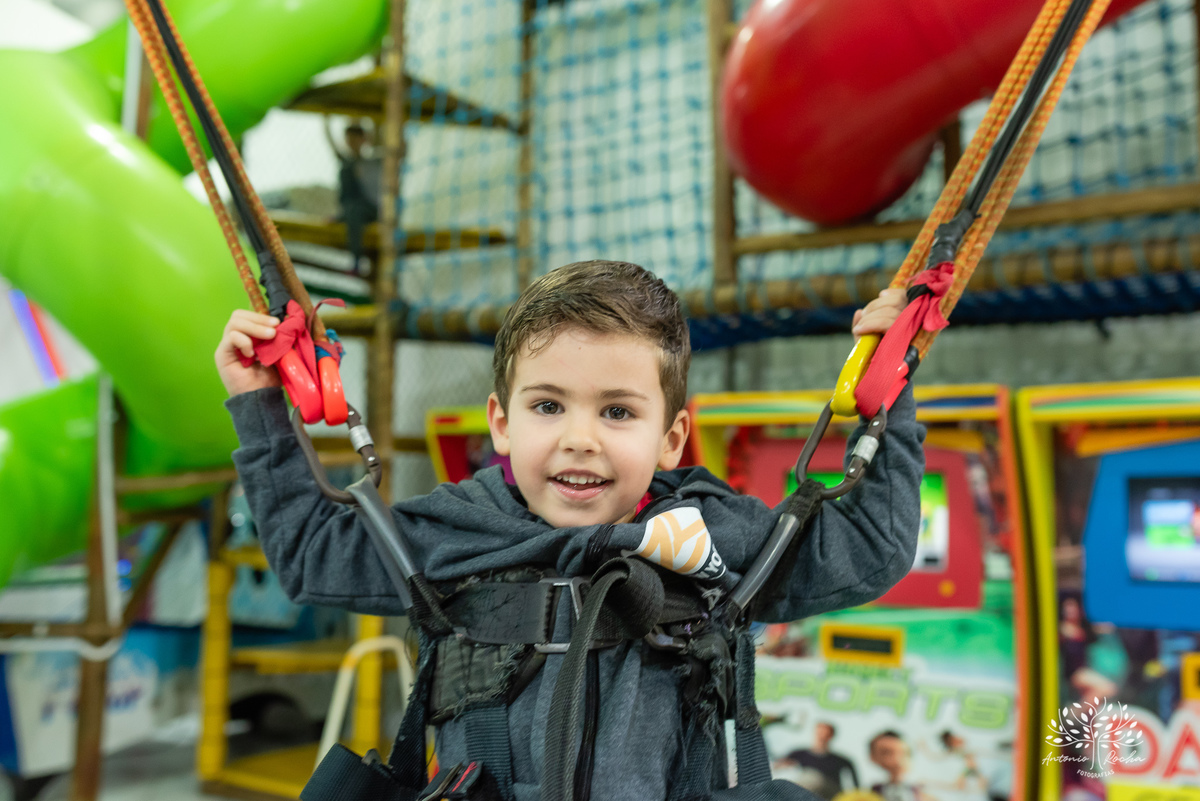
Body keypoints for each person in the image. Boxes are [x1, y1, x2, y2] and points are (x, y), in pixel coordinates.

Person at [214, 260, 924, 801]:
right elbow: (313, 553)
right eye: (549, 406)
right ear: (501, 422)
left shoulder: (704, 536)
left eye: (617, 412)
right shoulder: (458, 532)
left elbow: (870, 547)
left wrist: (889, 402)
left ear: (671, 437)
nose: (579, 439)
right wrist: (259, 410)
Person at [324, 118, 381, 275]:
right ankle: (342, 216)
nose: (351, 143)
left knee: (353, 212)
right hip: (351, 209)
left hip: (370, 209)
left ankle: (356, 262)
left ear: (363, 140)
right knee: (352, 211)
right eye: (348, 140)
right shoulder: (346, 162)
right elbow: (332, 145)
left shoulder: (372, 161)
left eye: (355, 139)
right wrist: (326, 120)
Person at [780, 721, 859, 799]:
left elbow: (856, 786)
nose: (821, 737)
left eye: (825, 735)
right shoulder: (799, 754)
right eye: (819, 734)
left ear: (831, 736)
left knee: (814, 779)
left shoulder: (841, 760)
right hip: (808, 793)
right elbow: (777, 766)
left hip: (831, 794)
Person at [868, 731, 934, 801]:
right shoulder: (874, 790)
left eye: (902, 753)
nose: (896, 760)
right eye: (887, 753)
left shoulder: (919, 791)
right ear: (873, 757)